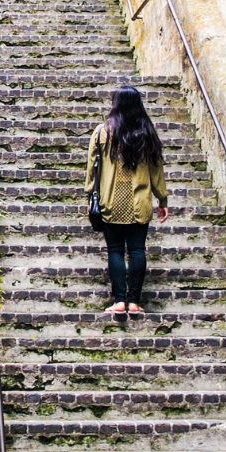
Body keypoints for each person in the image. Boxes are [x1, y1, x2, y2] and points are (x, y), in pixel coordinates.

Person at [85, 85, 169, 317]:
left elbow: (92, 168)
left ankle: (119, 300)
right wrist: (162, 200)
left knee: (115, 250)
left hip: (109, 202)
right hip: (139, 202)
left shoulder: (102, 133)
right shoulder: (147, 133)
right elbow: (156, 171)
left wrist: (89, 193)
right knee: (137, 249)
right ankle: (134, 302)